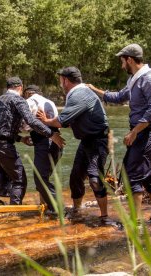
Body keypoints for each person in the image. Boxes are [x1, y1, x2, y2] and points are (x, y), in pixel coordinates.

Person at [87, 44, 151, 224]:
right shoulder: (135, 80)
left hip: (149, 133)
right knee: (150, 173)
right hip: (144, 133)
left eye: (122, 61)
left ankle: (135, 221)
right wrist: (94, 89)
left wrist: (134, 132)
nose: (122, 66)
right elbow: (118, 97)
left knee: (132, 175)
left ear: (129, 59)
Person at [38, 67, 110, 222]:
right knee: (76, 177)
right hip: (87, 141)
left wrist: (45, 121)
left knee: (95, 179)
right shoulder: (79, 93)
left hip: (98, 141)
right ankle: (77, 210)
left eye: (60, 80)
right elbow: (73, 120)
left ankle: (104, 217)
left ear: (65, 80)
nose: (60, 83)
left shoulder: (79, 94)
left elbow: (61, 121)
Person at [0, 77, 65, 206]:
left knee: (5, 171)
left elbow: (2, 128)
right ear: (20, 87)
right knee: (21, 179)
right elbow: (32, 121)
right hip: (47, 141)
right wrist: (52, 135)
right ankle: (16, 210)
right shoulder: (21, 100)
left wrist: (21, 138)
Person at [22, 85, 62, 217]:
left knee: (40, 180)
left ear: (28, 93)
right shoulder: (50, 102)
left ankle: (57, 210)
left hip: (44, 142)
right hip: (56, 143)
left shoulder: (29, 101)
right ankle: (47, 207)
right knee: (44, 177)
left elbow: (25, 124)